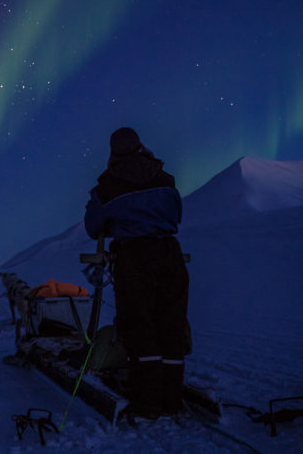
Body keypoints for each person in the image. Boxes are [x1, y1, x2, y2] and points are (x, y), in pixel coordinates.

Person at [83, 127, 190, 419]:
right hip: (170, 252)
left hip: (133, 256)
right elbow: (175, 215)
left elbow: (93, 226)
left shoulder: (106, 186)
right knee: (171, 323)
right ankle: (172, 398)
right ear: (140, 146)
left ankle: (147, 401)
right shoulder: (165, 178)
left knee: (138, 324)